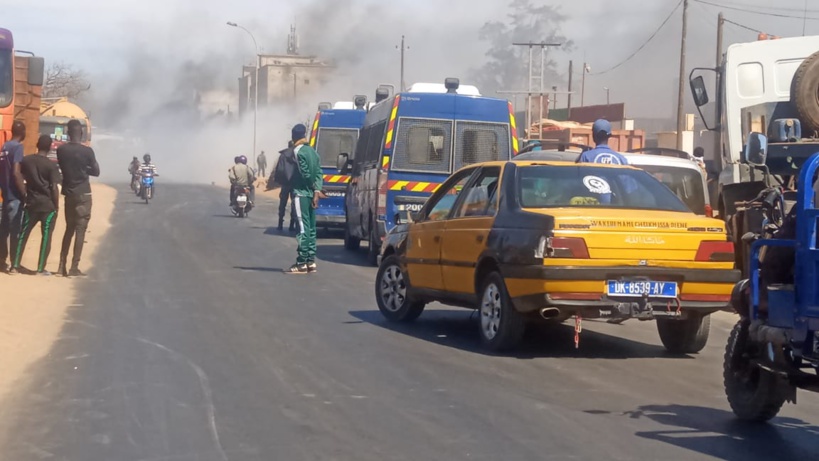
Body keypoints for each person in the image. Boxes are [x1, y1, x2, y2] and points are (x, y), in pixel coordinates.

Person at [12, 135, 62, 275]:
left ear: (37, 144)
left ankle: (15, 265)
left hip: (31, 203)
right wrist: (56, 206)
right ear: (50, 146)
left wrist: (24, 193)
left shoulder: (26, 160)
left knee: (23, 234)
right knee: (46, 236)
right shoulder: (51, 166)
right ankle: (40, 269)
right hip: (48, 206)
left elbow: (18, 175)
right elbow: (53, 188)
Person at [56, 119, 100, 277]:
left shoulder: (61, 151)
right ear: (81, 134)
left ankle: (62, 266)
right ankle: (74, 267)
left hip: (69, 194)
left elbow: (64, 167)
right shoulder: (87, 151)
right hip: (83, 194)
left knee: (69, 229)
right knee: (80, 230)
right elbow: (96, 172)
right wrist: (84, 168)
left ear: (68, 133)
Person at [286, 124, 323, 274]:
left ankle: (301, 263)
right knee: (311, 229)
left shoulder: (298, 151)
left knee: (302, 228)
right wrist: (316, 191)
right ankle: (311, 261)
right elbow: (319, 173)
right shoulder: (314, 152)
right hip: (311, 195)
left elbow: (304, 173)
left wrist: (311, 186)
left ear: (294, 136)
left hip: (301, 193)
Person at [0, 120, 27, 273]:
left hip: (5, 195)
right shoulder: (18, 147)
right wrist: (24, 193)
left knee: (3, 231)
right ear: (22, 132)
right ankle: (14, 264)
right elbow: (16, 172)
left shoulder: (5, 147)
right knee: (15, 231)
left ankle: (1, 260)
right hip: (14, 196)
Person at [269, 141, 298, 232]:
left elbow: (278, 169)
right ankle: (291, 225)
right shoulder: (298, 154)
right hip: (295, 183)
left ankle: (280, 224)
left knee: (282, 203)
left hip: (285, 183)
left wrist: (277, 181)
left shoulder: (283, 155)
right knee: (294, 204)